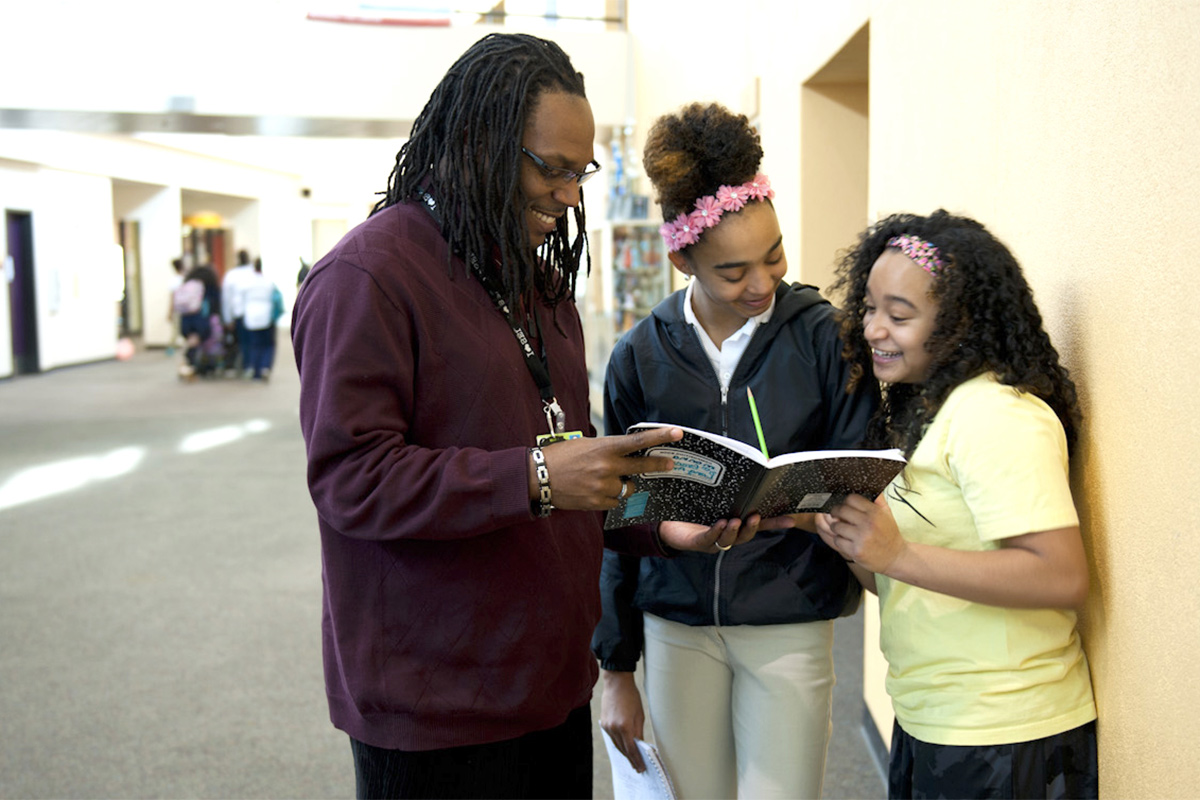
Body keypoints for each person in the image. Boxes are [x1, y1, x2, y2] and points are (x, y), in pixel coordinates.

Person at [290, 34, 771, 800]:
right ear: (476, 143)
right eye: (551, 169)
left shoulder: (539, 288)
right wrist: (538, 475)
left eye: (580, 174)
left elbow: (568, 469)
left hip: (546, 686)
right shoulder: (367, 278)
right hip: (432, 705)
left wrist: (664, 521)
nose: (570, 196)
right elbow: (352, 479)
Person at [593, 102, 879, 800]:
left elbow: (860, 484)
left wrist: (804, 513)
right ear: (682, 257)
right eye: (733, 271)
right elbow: (615, 519)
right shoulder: (639, 356)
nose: (762, 283)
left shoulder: (825, 339)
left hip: (790, 618)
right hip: (676, 625)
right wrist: (615, 669)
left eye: (775, 254)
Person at [815, 210, 1098, 799]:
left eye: (899, 315)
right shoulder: (929, 410)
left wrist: (896, 555)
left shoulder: (998, 415)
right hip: (932, 719)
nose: (872, 330)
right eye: (869, 308)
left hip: (1006, 730)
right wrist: (842, 537)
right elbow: (903, 581)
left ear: (960, 322)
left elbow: (1063, 575)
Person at [240, 257, 281, 380]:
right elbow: (276, 299)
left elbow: (241, 300)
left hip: (251, 316)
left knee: (254, 344)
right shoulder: (268, 282)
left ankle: (255, 369)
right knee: (268, 344)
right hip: (266, 316)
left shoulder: (247, 282)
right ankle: (265, 367)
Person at [221, 248, 255, 375]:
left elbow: (226, 298)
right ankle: (254, 365)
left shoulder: (231, 275)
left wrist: (227, 318)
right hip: (254, 313)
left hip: (238, 313)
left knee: (243, 342)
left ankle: (247, 366)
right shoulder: (254, 273)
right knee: (254, 341)